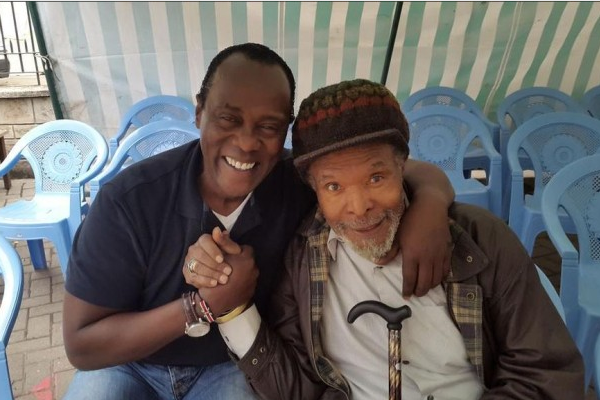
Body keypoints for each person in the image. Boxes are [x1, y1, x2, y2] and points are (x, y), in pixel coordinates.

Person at [62, 44, 455, 399]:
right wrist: (202, 307)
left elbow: (394, 168)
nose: (247, 142)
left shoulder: (295, 183)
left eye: (268, 127)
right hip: (130, 364)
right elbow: (81, 346)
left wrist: (431, 205)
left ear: (285, 130)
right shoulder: (131, 199)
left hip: (227, 366)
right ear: (199, 111)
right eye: (228, 119)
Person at [186, 79, 585, 400]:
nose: (359, 206)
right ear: (314, 189)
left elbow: (544, 374)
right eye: (334, 186)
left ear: (402, 166)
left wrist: (431, 203)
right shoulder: (302, 259)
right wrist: (233, 308)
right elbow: (299, 388)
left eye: (376, 178)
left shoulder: (479, 240)